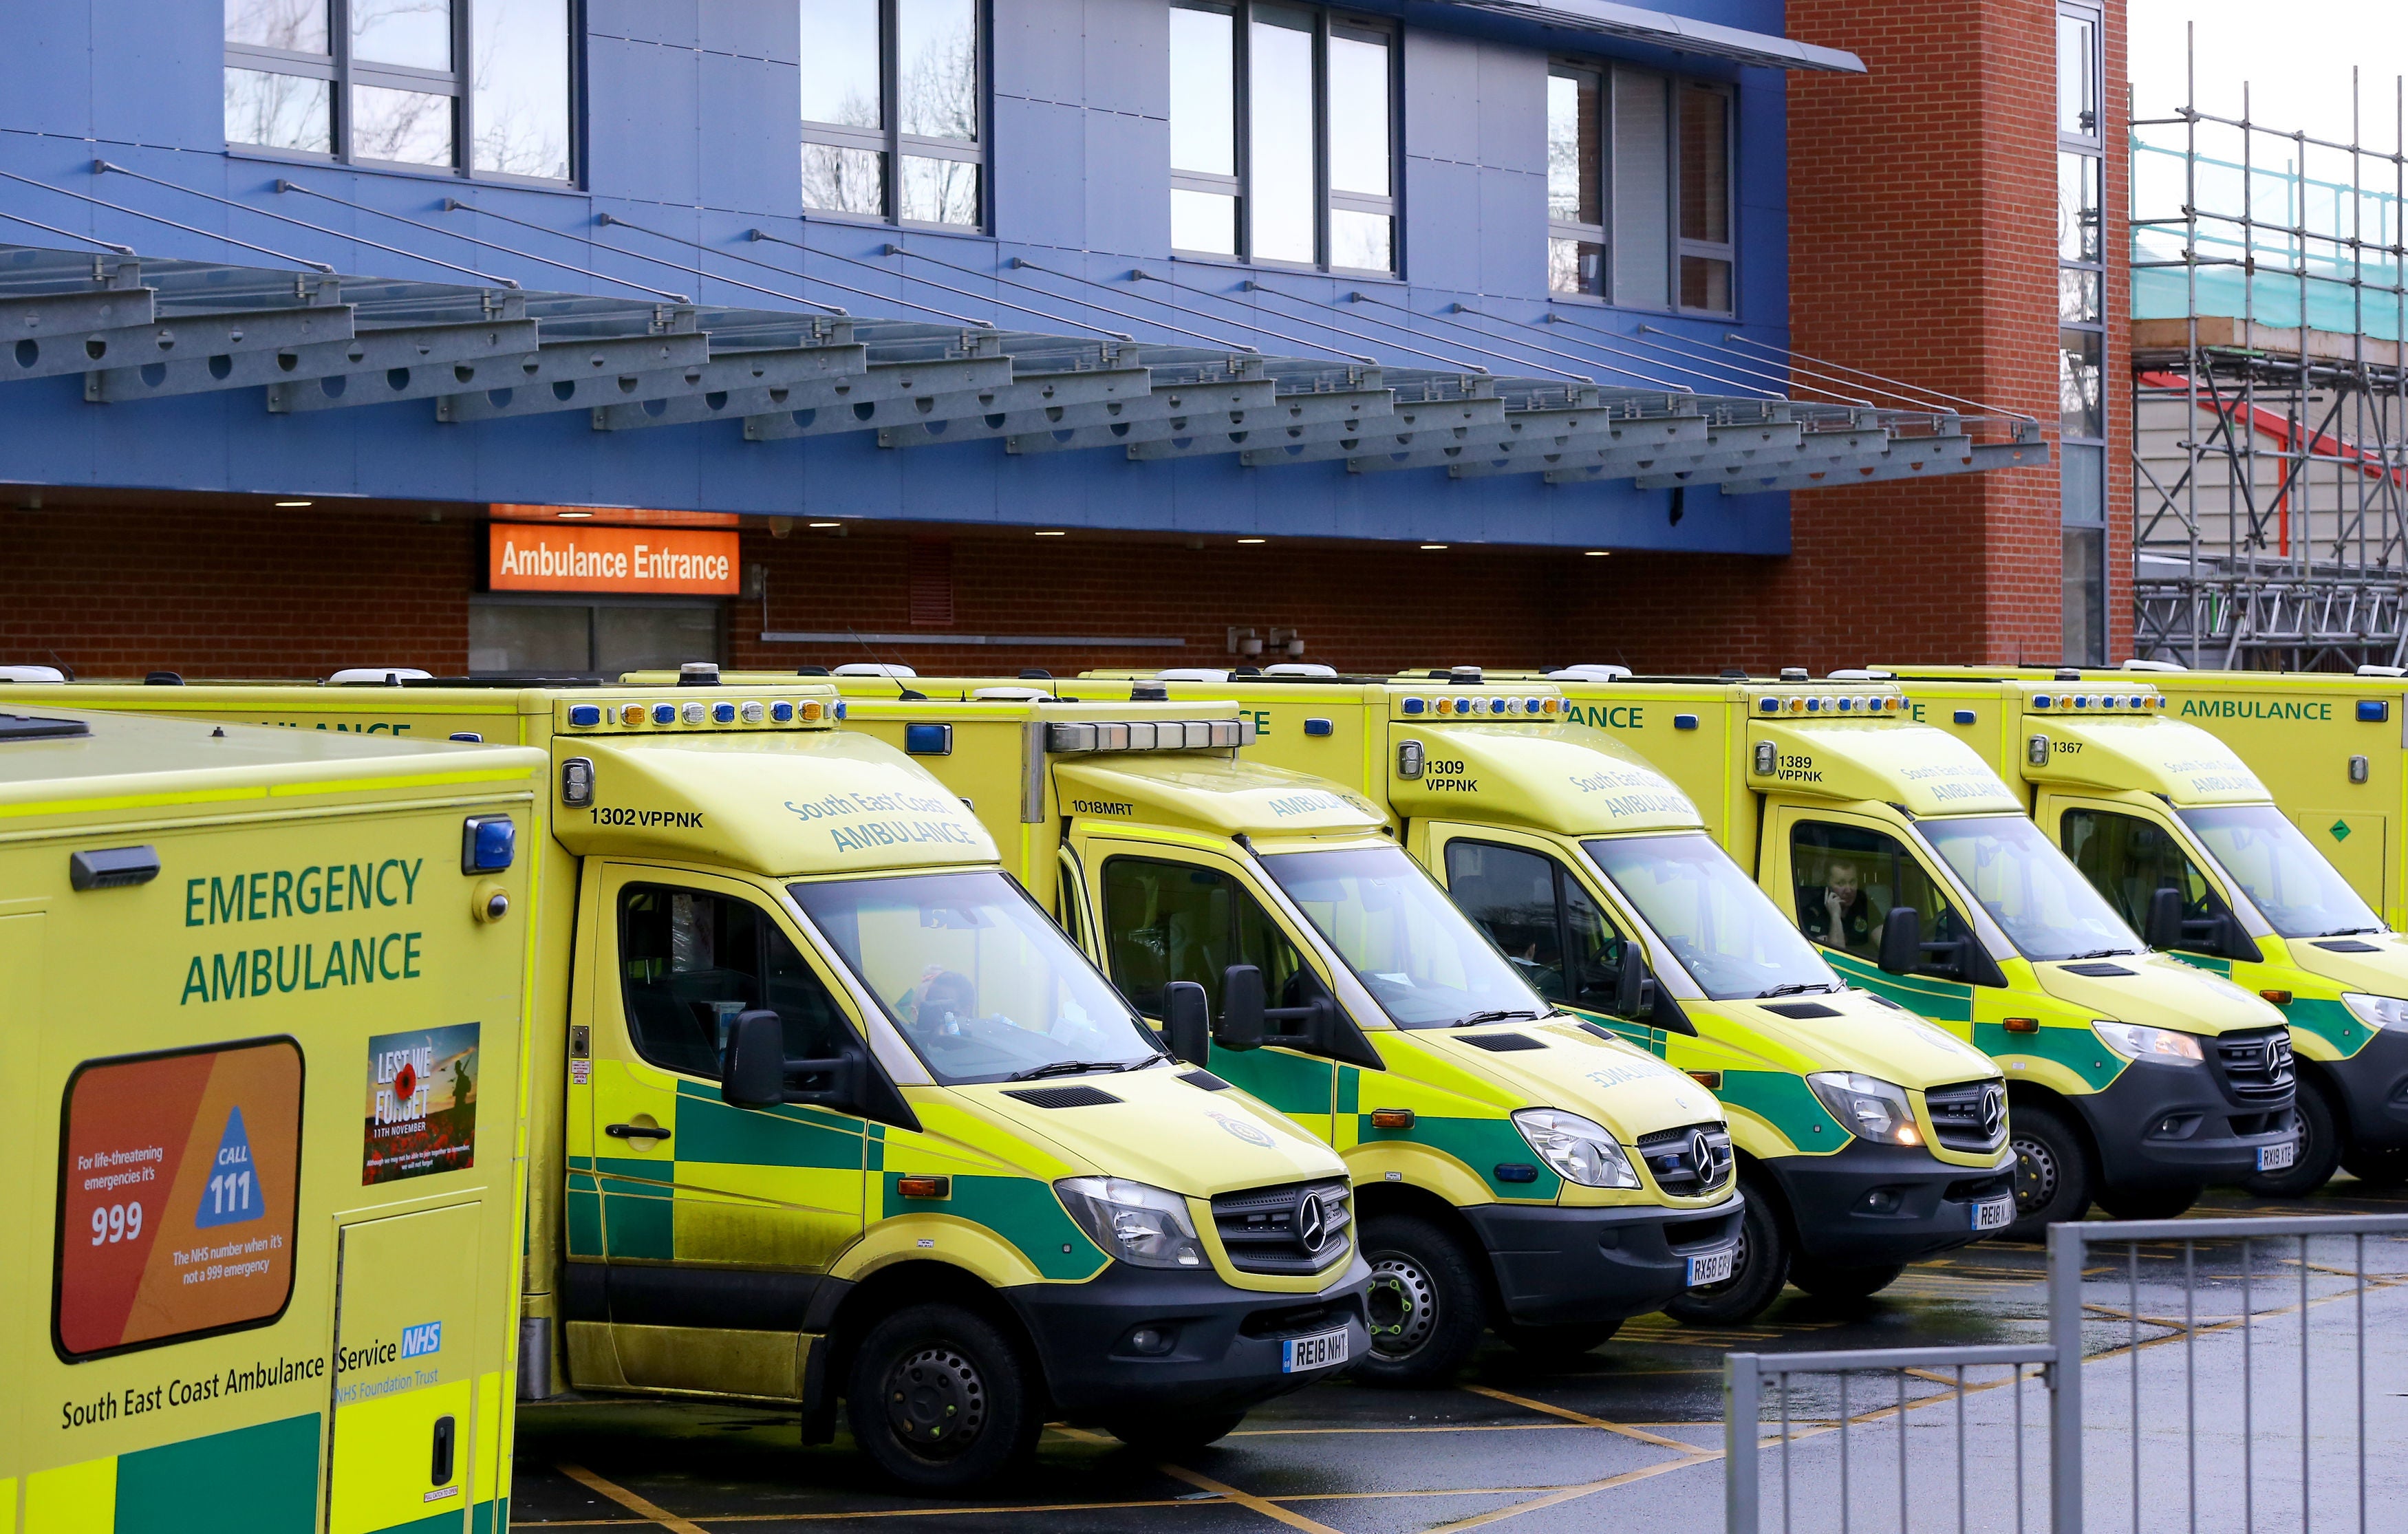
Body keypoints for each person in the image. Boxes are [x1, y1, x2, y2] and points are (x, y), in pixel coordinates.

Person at [1803, 857, 1878, 958]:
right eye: (1840, 883)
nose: (1848, 890)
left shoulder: (1862, 901)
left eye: (1852, 882)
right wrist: (1835, 916)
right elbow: (1836, 957)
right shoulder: (1814, 912)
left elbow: (1883, 938)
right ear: (1828, 884)